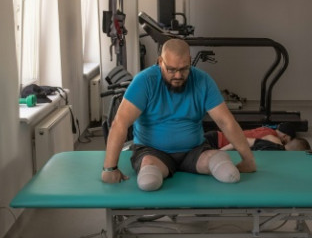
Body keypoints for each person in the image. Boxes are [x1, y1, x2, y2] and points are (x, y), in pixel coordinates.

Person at [101, 39, 256, 191]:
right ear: (160, 61)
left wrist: (247, 159)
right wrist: (109, 169)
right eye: (171, 69)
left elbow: (225, 121)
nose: (177, 75)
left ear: (189, 61)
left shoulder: (203, 81)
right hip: (153, 152)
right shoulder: (145, 81)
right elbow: (120, 123)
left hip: (194, 151)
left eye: (183, 69)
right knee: (148, 181)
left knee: (228, 171)